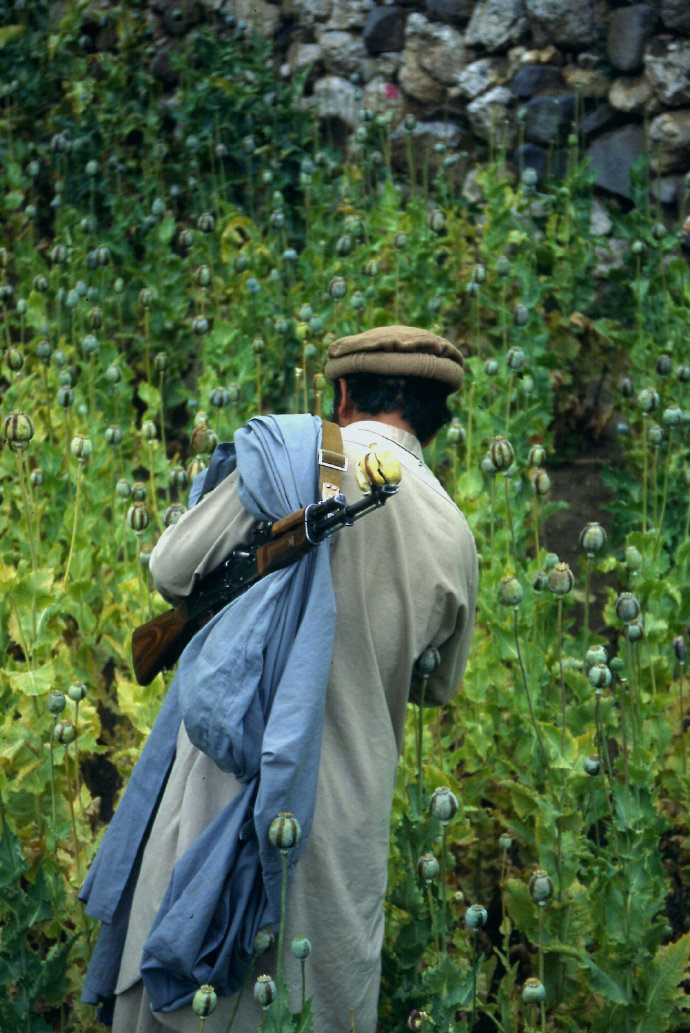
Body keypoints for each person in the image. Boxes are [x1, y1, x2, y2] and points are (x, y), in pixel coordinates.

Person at [80, 324, 478, 1033]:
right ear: (435, 419)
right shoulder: (455, 533)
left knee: (191, 998)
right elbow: (437, 686)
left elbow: (170, 569)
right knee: (312, 998)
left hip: (223, 790)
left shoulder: (297, 454)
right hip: (344, 826)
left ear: (343, 392)